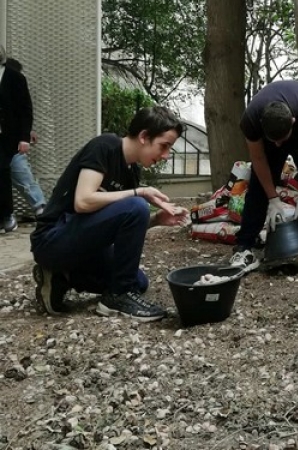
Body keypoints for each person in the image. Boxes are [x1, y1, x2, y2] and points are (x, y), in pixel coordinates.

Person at [30, 105, 189, 321]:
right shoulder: (105, 146)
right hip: (52, 240)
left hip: (82, 244)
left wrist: (156, 220)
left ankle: (60, 276)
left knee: (139, 282)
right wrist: (139, 192)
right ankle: (117, 297)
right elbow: (83, 202)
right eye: (164, 146)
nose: (166, 155)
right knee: (137, 205)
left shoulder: (132, 170)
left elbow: (119, 224)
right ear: (144, 136)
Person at [230, 80, 298, 273]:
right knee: (259, 186)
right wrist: (272, 198)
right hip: (273, 128)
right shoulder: (251, 120)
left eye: (282, 140)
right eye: (274, 141)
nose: (279, 145)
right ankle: (244, 247)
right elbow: (259, 159)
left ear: (293, 122)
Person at [5, 58, 46, 217]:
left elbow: (20, 115)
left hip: (13, 146)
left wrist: (25, 133)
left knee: (23, 177)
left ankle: (40, 208)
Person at [0, 46, 34, 233]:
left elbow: (25, 110)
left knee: (4, 171)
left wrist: (24, 137)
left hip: (7, 135)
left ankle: (7, 215)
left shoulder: (15, 78)